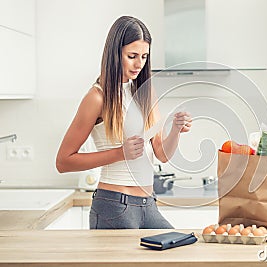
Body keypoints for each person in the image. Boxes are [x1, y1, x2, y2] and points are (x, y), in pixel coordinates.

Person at [56, 16, 192, 229]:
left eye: (144, 56)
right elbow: (63, 162)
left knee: (177, 254)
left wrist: (174, 129)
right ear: (115, 53)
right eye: (132, 56)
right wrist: (120, 153)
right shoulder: (97, 97)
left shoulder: (145, 92)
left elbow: (162, 154)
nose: (139, 64)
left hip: (149, 205)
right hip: (114, 206)